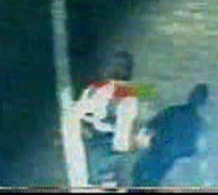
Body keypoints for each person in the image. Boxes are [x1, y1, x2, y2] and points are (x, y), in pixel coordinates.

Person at [71, 51, 153, 187]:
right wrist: (141, 143)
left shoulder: (91, 90)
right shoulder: (128, 100)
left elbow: (75, 119)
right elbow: (122, 145)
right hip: (108, 172)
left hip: (86, 163)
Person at [132, 84, 209, 186]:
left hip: (159, 154)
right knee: (146, 179)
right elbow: (192, 149)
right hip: (166, 158)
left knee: (140, 176)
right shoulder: (196, 121)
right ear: (203, 102)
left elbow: (152, 124)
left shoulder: (174, 111)